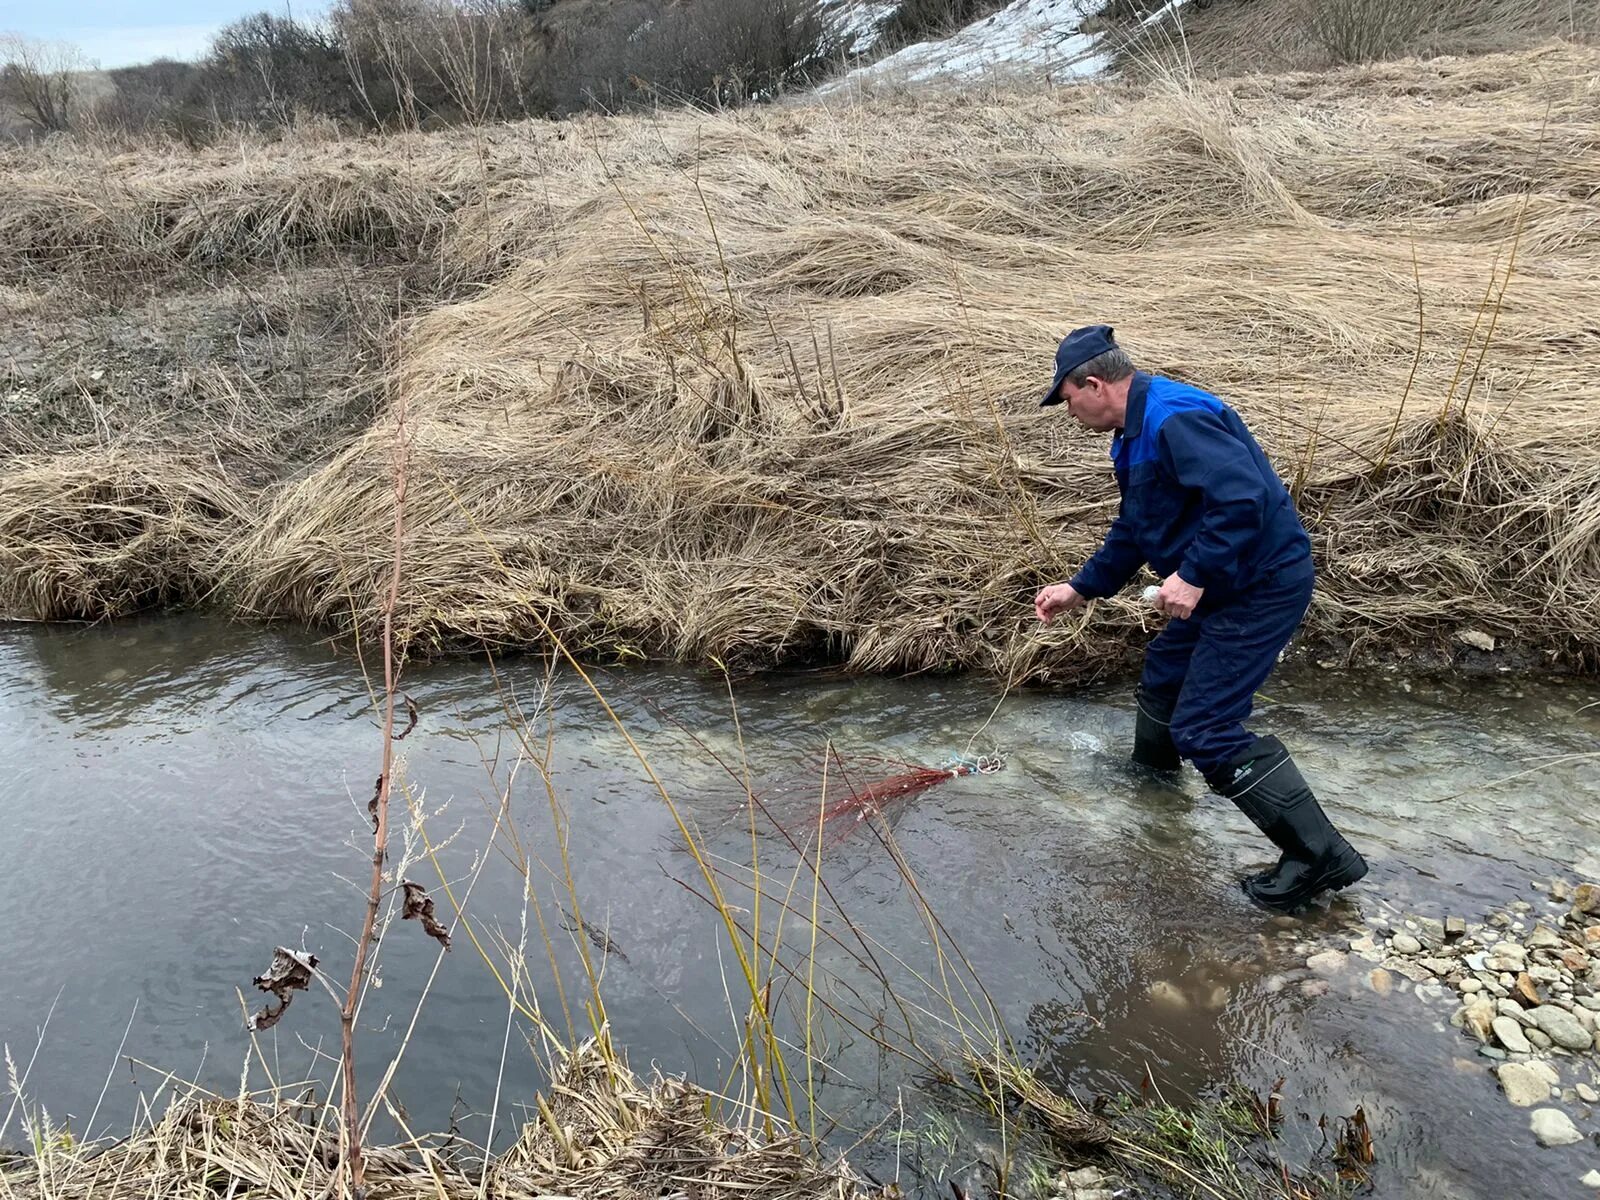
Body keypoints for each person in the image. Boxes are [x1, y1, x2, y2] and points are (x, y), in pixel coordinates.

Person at [1032, 325, 1367, 912]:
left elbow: (1243, 501)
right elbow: (1137, 528)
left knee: (1206, 728)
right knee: (1165, 674)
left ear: (1092, 383)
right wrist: (1079, 589)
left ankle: (1319, 857)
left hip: (1259, 586)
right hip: (1224, 584)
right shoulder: (1132, 434)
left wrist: (1193, 575)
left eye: (1065, 400)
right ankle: (1154, 786)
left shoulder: (1174, 418)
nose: (1068, 412)